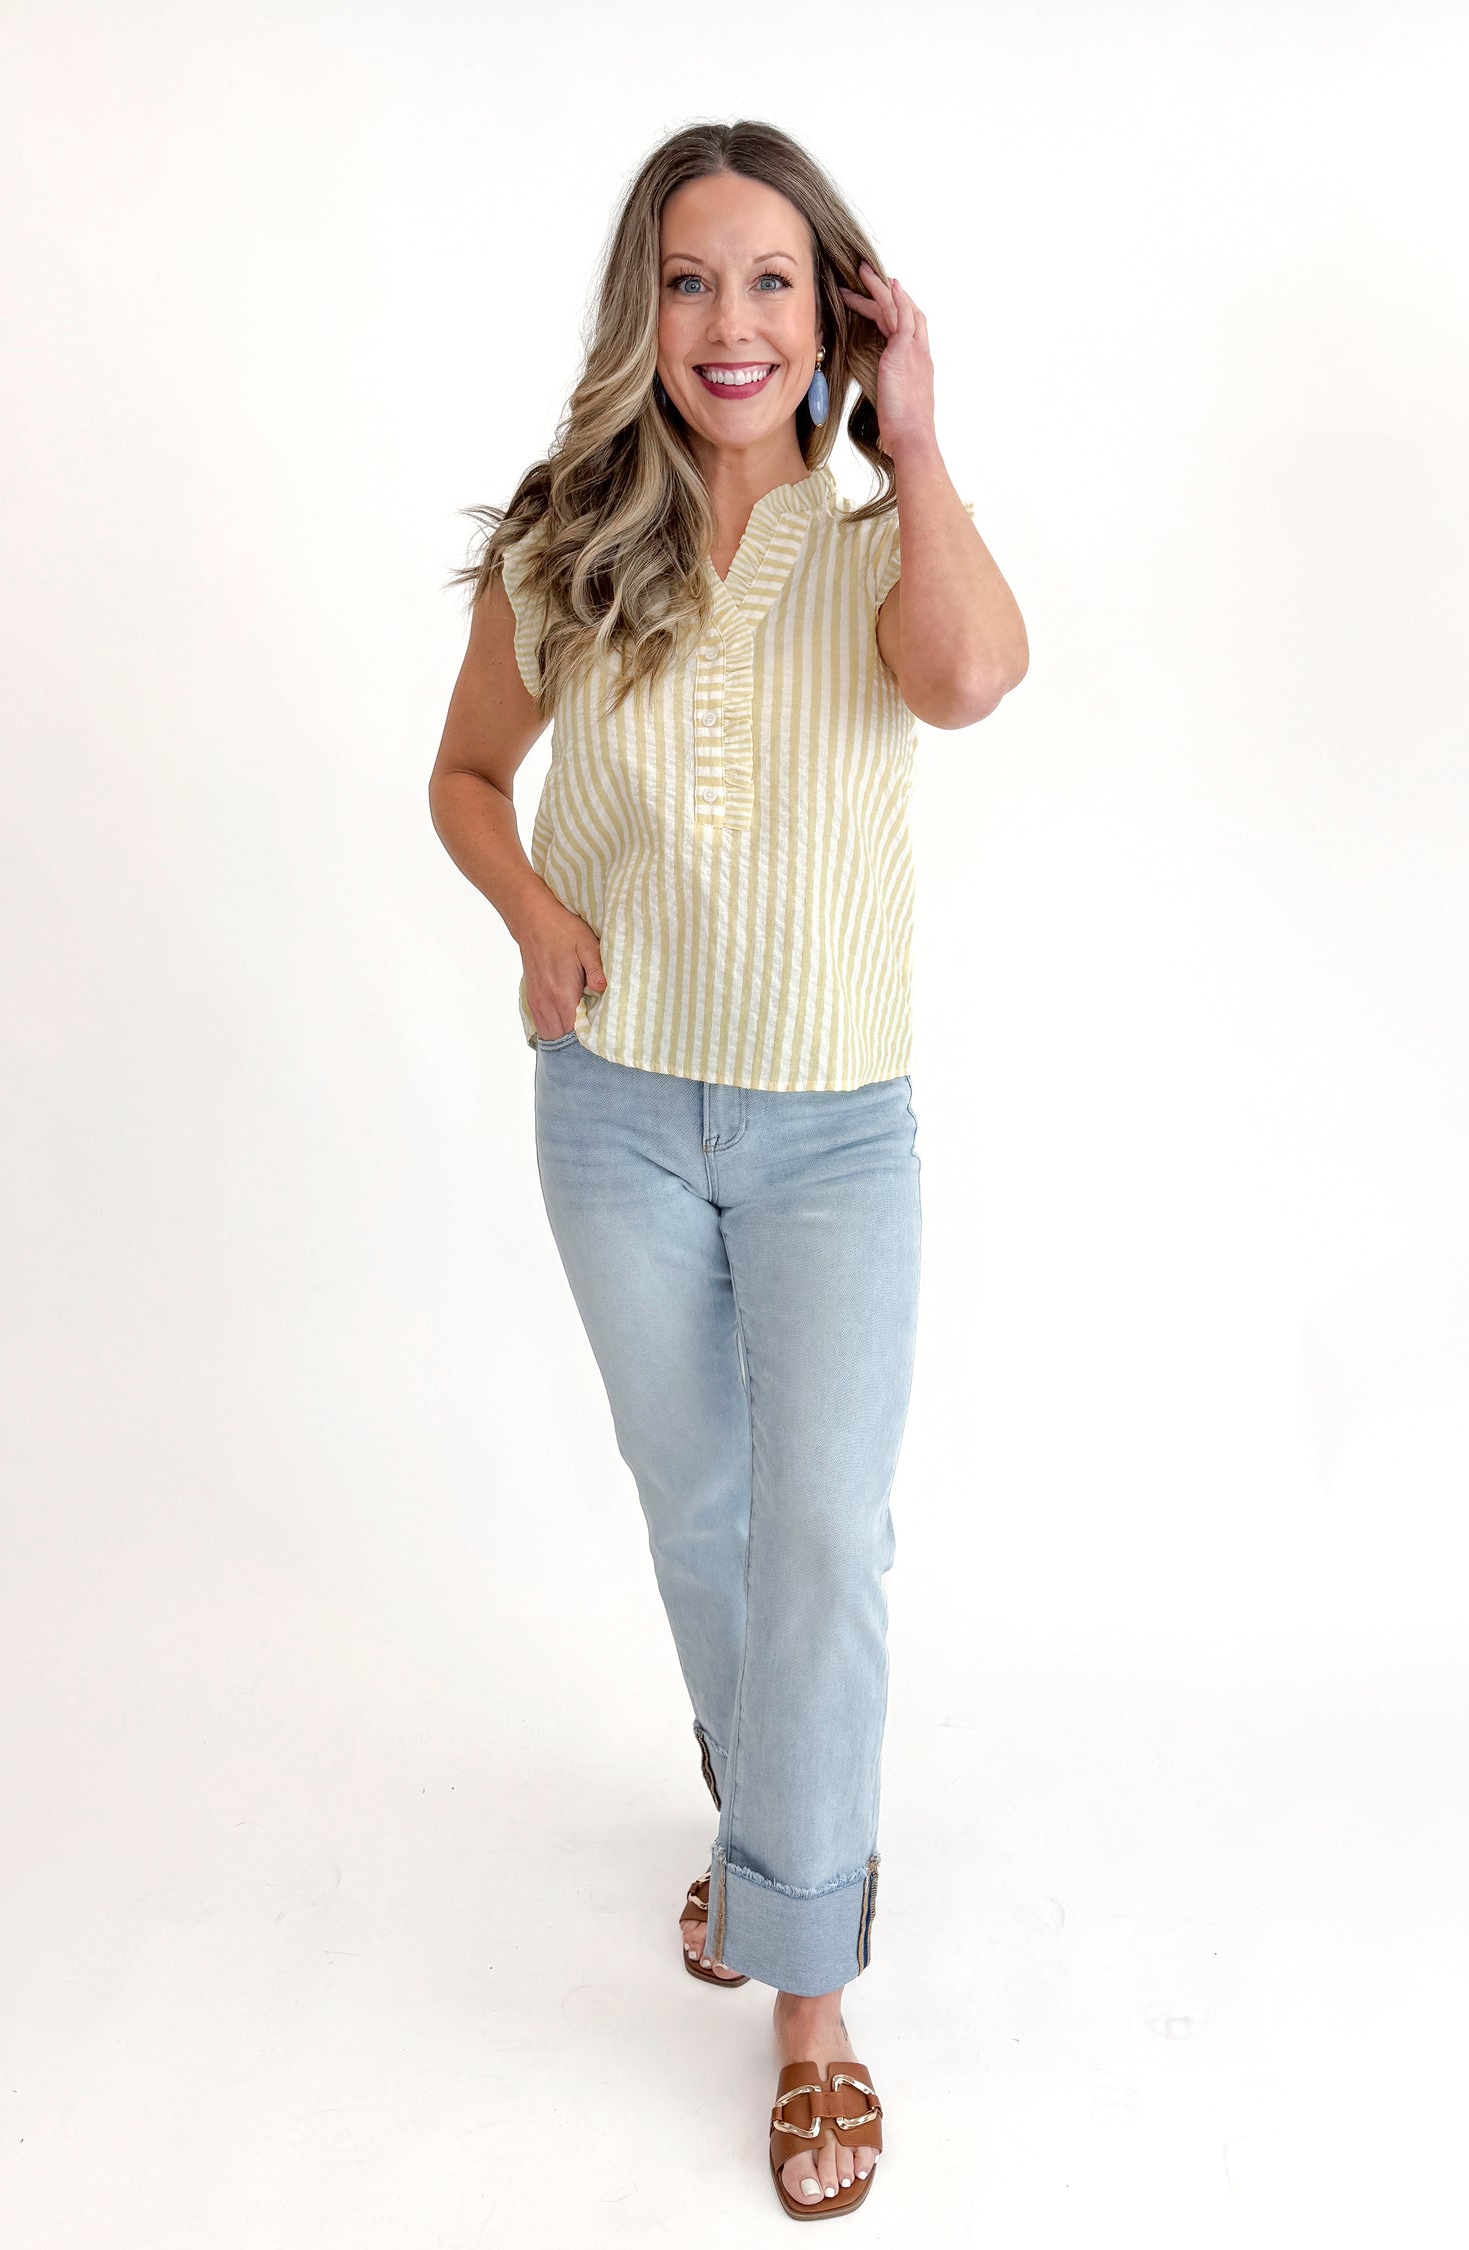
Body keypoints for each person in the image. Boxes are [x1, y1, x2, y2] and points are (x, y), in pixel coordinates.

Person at [428, 117, 1027, 2219]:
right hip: (609, 1108)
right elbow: (469, 777)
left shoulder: (883, 552)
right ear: (643, 313)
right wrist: (531, 913)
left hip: (834, 1129)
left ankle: (806, 1993)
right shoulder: (564, 541)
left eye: (775, 281)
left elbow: (970, 683)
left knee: (823, 1538)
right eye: (693, 281)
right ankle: (771, 1800)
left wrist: (921, 438)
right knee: (701, 1512)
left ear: (833, 309)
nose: (733, 322)